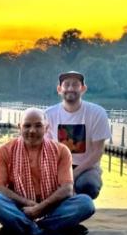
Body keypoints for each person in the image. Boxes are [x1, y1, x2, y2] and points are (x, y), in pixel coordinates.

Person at [0, 108, 95, 235]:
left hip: (51, 207)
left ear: (47, 127)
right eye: (27, 126)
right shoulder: (5, 151)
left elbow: (67, 189)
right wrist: (28, 204)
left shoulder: (61, 150)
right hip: (21, 208)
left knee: (85, 203)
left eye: (38, 126)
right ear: (19, 127)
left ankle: (19, 232)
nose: (32, 131)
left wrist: (40, 208)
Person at [45, 71, 111, 199]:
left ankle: (82, 207)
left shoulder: (97, 113)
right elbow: (46, 149)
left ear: (83, 89)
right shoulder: (48, 114)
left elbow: (98, 151)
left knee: (88, 185)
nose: (70, 88)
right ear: (59, 89)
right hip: (58, 166)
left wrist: (73, 174)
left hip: (87, 166)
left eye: (75, 85)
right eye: (66, 85)